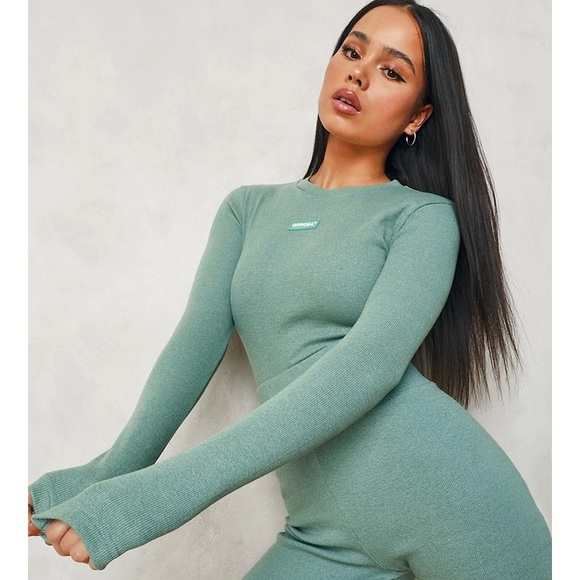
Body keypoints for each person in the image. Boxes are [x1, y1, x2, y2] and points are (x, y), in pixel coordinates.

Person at [28, 0, 552, 578]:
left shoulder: (422, 218)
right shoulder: (248, 210)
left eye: (391, 70)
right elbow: (191, 349)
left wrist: (147, 500)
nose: (359, 73)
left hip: (456, 502)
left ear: (418, 116)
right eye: (352, 51)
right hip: (323, 533)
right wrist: (107, 474)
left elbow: (366, 368)